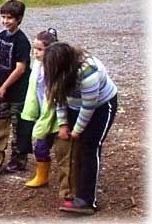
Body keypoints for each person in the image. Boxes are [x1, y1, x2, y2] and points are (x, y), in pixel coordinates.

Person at [43, 42, 118, 215]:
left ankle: (87, 201)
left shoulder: (89, 72)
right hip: (74, 105)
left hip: (100, 106)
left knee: (90, 148)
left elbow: (88, 107)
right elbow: (58, 95)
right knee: (71, 148)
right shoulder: (55, 70)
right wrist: (62, 123)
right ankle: (72, 189)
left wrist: (77, 130)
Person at [0, 0, 32, 172]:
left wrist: (4, 86)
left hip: (18, 93)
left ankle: (19, 159)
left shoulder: (22, 41)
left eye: (10, 18)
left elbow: (20, 68)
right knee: (1, 122)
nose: (6, 21)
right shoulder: (1, 37)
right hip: (3, 92)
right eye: (3, 17)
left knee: (18, 126)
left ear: (19, 19)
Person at [20, 28, 61, 187]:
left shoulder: (56, 69)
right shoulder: (37, 66)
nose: (36, 53)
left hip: (57, 115)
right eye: (34, 49)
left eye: (40, 49)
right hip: (43, 114)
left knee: (62, 149)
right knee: (40, 147)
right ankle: (42, 175)